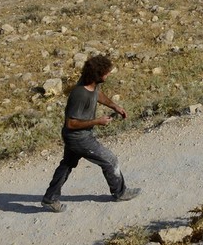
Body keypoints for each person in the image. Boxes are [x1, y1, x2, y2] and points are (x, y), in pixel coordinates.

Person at [41, 54, 141, 212]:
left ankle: (49, 198)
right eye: (106, 73)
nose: (108, 75)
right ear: (98, 75)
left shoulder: (91, 84)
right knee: (110, 160)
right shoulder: (79, 94)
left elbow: (97, 94)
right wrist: (97, 121)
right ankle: (120, 192)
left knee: (67, 165)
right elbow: (71, 123)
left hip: (75, 136)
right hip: (79, 138)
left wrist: (114, 106)